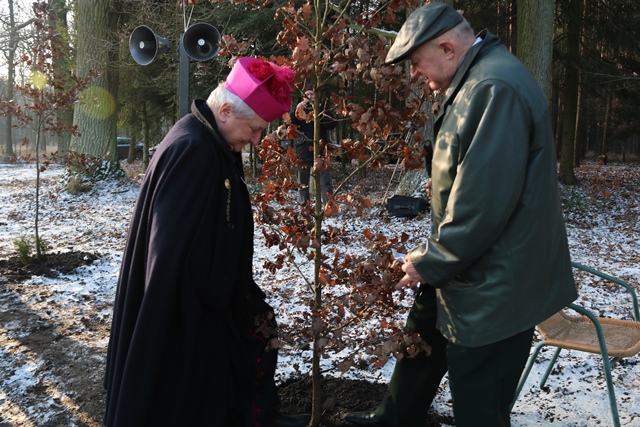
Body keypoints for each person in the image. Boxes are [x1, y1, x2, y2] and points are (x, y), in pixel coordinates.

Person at [344, 3, 577, 427]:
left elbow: (482, 204)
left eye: (417, 62)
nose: (415, 73)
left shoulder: (493, 88)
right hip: (468, 265)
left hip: (496, 285)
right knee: (421, 343)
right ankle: (392, 420)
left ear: (448, 48)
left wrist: (431, 260)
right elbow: (473, 176)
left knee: (480, 401)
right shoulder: (475, 81)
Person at [104, 56, 310, 427]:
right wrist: (211, 299)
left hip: (211, 300)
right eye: (254, 129)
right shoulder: (193, 150)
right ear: (226, 111)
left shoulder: (211, 141)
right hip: (186, 312)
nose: (256, 140)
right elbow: (169, 252)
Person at [290, 85, 337, 205]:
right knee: (302, 183)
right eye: (307, 95)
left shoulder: (322, 109)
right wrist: (297, 109)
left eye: (312, 94)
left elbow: (332, 124)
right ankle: (304, 207)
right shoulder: (299, 110)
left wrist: (320, 109)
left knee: (325, 182)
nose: (310, 97)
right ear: (303, 97)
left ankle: (328, 206)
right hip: (302, 150)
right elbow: (290, 123)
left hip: (321, 152)